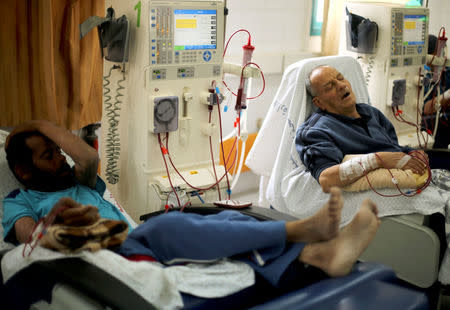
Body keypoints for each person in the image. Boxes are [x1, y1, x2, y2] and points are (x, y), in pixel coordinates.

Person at [2, 120, 380, 293]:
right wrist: (54, 229)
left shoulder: (78, 180)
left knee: (225, 218)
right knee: (169, 226)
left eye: (57, 151)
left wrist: (34, 125)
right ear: (22, 170)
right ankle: (299, 231)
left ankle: (321, 255)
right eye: (48, 156)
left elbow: (84, 156)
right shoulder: (20, 200)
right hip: (112, 255)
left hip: (136, 244)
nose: (60, 159)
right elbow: (26, 236)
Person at [297, 65, 429, 193]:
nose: (342, 85)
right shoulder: (315, 132)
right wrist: (378, 160)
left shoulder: (371, 112)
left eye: (341, 78)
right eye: (330, 86)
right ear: (319, 102)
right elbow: (326, 178)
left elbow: (392, 148)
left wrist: (411, 152)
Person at [422, 34, 449, 150]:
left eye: (444, 53)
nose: (443, 58)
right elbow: (425, 108)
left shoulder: (447, 73)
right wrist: (447, 96)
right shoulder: (423, 78)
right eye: (439, 54)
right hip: (431, 132)